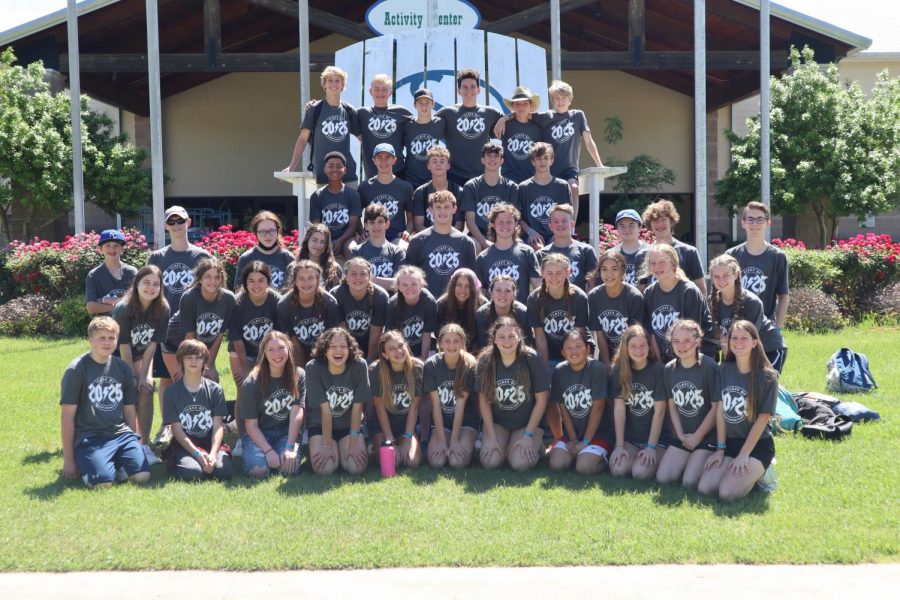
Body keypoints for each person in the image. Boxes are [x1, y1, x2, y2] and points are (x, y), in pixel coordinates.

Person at [147, 205, 211, 447]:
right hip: (165, 326)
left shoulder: (202, 256)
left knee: (197, 375)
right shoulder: (157, 257)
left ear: (189, 222)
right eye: (171, 222)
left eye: (180, 221)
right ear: (165, 226)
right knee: (167, 379)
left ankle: (197, 423)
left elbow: (209, 289)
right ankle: (167, 424)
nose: (176, 225)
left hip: (194, 325)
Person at [60, 316, 150, 488]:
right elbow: (67, 417)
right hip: (90, 437)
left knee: (142, 476)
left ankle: (115, 461)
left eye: (111, 338)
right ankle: (95, 467)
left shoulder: (123, 367)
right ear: (90, 340)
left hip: (120, 434)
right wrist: (68, 461)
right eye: (101, 338)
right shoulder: (76, 369)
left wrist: (133, 440)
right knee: (103, 483)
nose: (107, 342)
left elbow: (129, 410)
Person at [698, 320, 778, 502]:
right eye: (734, 338)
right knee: (705, 488)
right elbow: (720, 411)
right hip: (730, 444)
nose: (738, 343)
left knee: (727, 494)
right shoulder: (723, 370)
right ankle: (738, 472)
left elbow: (763, 419)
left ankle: (764, 473)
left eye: (744, 338)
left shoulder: (767, 376)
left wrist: (744, 455)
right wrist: (720, 450)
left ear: (755, 343)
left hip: (757, 445)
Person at [112, 265, 170, 466]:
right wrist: (131, 378)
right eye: (146, 282)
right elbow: (124, 347)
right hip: (116, 358)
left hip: (140, 356)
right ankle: (128, 443)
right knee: (129, 394)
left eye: (156, 284)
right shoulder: (123, 308)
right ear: (137, 283)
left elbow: (152, 344)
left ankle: (144, 445)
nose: (151, 288)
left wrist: (144, 374)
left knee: (145, 389)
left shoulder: (163, 308)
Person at [527, 253, 589, 442]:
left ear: (568, 273)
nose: (554, 277)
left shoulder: (578, 297)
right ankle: (558, 438)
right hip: (550, 355)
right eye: (550, 273)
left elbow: (579, 338)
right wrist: (545, 371)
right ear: (542, 273)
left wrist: (573, 366)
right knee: (548, 393)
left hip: (574, 353)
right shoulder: (535, 299)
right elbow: (540, 339)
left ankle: (582, 436)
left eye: (559, 273)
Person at [477, 317, 550, 471]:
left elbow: (542, 400)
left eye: (511, 336)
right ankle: (508, 445)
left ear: (519, 338)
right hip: (499, 423)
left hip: (526, 423)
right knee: (490, 463)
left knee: (519, 464)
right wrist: (490, 436)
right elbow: (483, 401)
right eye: (501, 337)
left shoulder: (531, 358)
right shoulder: (485, 360)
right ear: (494, 340)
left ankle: (535, 443)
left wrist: (528, 436)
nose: (507, 341)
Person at [655, 319, 719, 488]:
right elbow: (672, 406)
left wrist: (698, 437)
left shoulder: (709, 367)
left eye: (687, 341)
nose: (681, 346)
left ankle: (700, 464)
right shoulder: (669, 368)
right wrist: (681, 434)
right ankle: (689, 461)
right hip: (683, 436)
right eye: (676, 341)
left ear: (698, 341)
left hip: (707, 436)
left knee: (689, 482)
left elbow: (716, 408)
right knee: (663, 478)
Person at [162, 339, 233, 481]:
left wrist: (213, 453)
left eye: (198, 357)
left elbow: (218, 426)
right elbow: (176, 429)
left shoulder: (215, 389)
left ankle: (209, 461)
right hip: (185, 444)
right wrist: (197, 454)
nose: (193, 361)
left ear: (204, 361)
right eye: (189, 357)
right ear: (181, 360)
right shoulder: (171, 392)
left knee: (224, 472)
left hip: (209, 441)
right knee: (192, 472)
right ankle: (179, 464)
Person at [304, 327, 370, 475]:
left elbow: (358, 407)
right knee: (325, 470)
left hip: (349, 426)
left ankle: (346, 447)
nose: (338, 351)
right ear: (324, 350)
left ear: (350, 348)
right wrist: (327, 446)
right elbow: (325, 411)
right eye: (332, 347)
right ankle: (326, 446)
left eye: (343, 346)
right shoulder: (313, 368)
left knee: (356, 468)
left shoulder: (359, 365)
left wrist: (353, 443)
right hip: (321, 426)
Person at [240, 331, 305, 478]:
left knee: (288, 469)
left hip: (285, 434)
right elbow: (251, 425)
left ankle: (282, 453)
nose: (277, 354)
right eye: (271, 349)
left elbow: (297, 412)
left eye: (281, 348)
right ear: (264, 353)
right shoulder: (252, 382)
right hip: (259, 434)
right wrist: (268, 451)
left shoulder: (298, 375)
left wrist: (289, 447)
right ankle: (255, 458)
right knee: (259, 470)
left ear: (289, 348)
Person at [531, 80, 603, 212]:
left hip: (569, 168)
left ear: (569, 99)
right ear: (553, 100)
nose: (560, 101)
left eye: (563, 98)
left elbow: (589, 141)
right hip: (549, 168)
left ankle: (572, 224)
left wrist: (599, 164)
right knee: (551, 201)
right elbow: (522, 115)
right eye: (556, 98)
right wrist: (504, 119)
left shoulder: (578, 115)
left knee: (574, 188)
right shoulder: (546, 116)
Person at [709, 254, 787, 373]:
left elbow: (749, 341)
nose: (721, 281)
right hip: (736, 349)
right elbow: (711, 341)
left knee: (762, 388)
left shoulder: (751, 302)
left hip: (768, 349)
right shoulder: (711, 302)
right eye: (716, 276)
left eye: (726, 275)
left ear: (735, 275)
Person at [229, 261, 280, 443]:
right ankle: (243, 439)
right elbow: (237, 340)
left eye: (261, 280)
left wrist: (264, 365)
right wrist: (246, 368)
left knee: (271, 390)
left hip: (270, 352)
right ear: (245, 283)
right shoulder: (237, 302)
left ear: (268, 282)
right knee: (244, 391)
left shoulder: (276, 300)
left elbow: (279, 337)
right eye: (251, 281)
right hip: (242, 352)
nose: (256, 285)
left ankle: (269, 432)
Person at [548, 329, 611, 475]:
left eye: (578, 346)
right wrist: (574, 440)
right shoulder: (559, 370)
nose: (574, 351)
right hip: (575, 433)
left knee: (584, 468)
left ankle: (605, 459)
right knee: (556, 464)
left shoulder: (597, 369)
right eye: (569, 347)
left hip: (598, 434)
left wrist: (586, 442)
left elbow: (598, 408)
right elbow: (562, 408)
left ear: (588, 349)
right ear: (563, 352)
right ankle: (581, 454)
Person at [608, 324, 668, 480]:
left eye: (643, 345)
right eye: (633, 346)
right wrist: (619, 446)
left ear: (649, 346)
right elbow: (619, 410)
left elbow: (659, 412)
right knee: (618, 470)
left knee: (640, 473)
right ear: (625, 347)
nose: (638, 350)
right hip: (632, 439)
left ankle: (658, 458)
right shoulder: (618, 370)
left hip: (658, 439)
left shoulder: (659, 370)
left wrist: (651, 447)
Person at [283, 65, 359, 186]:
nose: (333, 84)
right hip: (322, 174)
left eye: (337, 80)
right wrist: (291, 166)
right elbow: (303, 139)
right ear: (324, 84)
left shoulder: (349, 110)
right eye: (330, 80)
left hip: (347, 175)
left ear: (343, 85)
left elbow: (363, 139)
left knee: (351, 205)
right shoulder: (315, 109)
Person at [640, 243, 715, 362]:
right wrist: (659, 363)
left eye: (662, 262)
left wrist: (678, 367)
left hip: (693, 357)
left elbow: (693, 334)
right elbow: (651, 333)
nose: (657, 267)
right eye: (653, 263)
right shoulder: (649, 293)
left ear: (674, 264)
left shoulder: (689, 291)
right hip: (663, 359)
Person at [725, 201, 790, 326]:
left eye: (760, 219)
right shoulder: (731, 255)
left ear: (768, 223)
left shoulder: (778, 256)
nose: (755, 223)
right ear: (743, 223)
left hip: (765, 327)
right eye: (750, 219)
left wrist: (777, 328)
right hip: (736, 327)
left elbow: (783, 295)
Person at [436, 68, 504, 187]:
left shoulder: (491, 113)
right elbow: (425, 124)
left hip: (482, 175)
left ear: (479, 90)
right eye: (465, 87)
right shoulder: (447, 113)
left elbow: (517, 118)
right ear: (459, 91)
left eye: (473, 86)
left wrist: (504, 119)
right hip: (453, 175)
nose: (469, 91)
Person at [424, 324, 479, 469]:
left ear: (463, 343)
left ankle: (472, 445)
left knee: (457, 462)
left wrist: (454, 441)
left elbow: (460, 406)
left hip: (466, 422)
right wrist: (442, 440)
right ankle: (445, 441)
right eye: (447, 341)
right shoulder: (431, 365)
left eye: (456, 341)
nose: (451, 345)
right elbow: (435, 405)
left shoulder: (469, 364)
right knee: (437, 462)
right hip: (442, 422)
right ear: (440, 343)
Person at [369, 331, 424, 470]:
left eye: (401, 345)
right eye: (392, 349)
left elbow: (414, 407)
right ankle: (375, 444)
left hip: (405, 424)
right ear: (384, 354)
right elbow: (380, 408)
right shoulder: (376, 370)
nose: (398, 351)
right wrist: (389, 440)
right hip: (381, 426)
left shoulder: (417, 368)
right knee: (390, 461)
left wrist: (407, 438)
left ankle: (406, 442)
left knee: (412, 462)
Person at [405, 189, 477, 296]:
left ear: (454, 209)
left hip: (456, 302)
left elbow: (471, 281)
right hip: (426, 302)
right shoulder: (417, 241)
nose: (442, 211)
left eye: (447, 207)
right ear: (430, 210)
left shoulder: (466, 243)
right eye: (438, 207)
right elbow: (409, 279)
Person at [175, 258, 236, 383]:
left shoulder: (228, 299)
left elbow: (220, 334)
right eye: (208, 276)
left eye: (217, 277)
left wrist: (210, 365)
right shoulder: (189, 297)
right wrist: (190, 365)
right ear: (200, 279)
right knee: (186, 381)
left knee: (212, 379)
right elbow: (189, 337)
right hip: (176, 342)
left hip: (202, 344)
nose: (213, 281)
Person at [276, 260, 341, 367]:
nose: (306, 283)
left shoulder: (329, 303)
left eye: (310, 278)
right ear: (295, 282)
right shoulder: (284, 305)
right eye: (301, 279)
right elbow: (291, 341)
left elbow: (331, 338)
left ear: (318, 280)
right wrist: (301, 369)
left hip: (324, 352)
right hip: (296, 353)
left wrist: (319, 365)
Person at [474, 203, 541, 306]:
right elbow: (480, 295)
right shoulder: (483, 257)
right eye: (500, 222)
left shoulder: (527, 252)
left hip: (520, 314)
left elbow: (537, 287)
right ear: (493, 225)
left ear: (516, 224)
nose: (505, 225)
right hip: (492, 315)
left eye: (509, 222)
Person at [461, 141, 520, 252]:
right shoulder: (471, 186)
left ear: (501, 161)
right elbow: (470, 221)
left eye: (496, 156)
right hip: (479, 236)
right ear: (482, 160)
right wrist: (484, 242)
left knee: (520, 246)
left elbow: (514, 220)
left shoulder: (512, 187)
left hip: (505, 234)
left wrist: (503, 240)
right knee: (473, 245)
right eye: (489, 156)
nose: (492, 159)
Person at [587, 250, 643, 365]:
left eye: (614, 269)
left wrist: (623, 364)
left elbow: (634, 336)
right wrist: (607, 364)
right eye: (604, 269)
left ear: (622, 270)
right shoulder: (594, 296)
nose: (609, 274)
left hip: (631, 356)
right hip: (606, 355)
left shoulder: (634, 296)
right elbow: (599, 334)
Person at [641, 199, 706, 294]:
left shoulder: (689, 252)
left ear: (671, 222)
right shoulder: (642, 254)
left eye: (663, 220)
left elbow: (700, 287)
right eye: (655, 221)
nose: (659, 224)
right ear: (650, 224)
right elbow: (641, 290)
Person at [355, 73, 413, 180]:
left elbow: (420, 124)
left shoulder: (401, 112)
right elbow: (341, 114)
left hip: (398, 171)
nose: (380, 93)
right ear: (370, 91)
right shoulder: (361, 114)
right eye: (377, 89)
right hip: (372, 173)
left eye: (384, 89)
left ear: (390, 92)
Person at [330, 257, 389, 361]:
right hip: (346, 347)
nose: (358, 278)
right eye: (353, 274)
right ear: (346, 277)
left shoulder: (380, 296)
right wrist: (352, 358)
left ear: (369, 277)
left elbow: (376, 332)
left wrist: (369, 361)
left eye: (363, 273)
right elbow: (342, 331)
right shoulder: (336, 294)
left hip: (371, 346)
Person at [358, 143, 415, 248]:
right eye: (380, 157)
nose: (383, 161)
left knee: (404, 249)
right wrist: (362, 231)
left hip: (396, 235)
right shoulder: (365, 187)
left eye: (387, 157)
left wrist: (407, 231)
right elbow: (357, 216)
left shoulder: (405, 187)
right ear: (374, 160)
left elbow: (411, 219)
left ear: (394, 160)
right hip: (373, 232)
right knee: (361, 250)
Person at [307, 152, 362, 258]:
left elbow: (353, 226)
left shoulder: (353, 195)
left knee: (352, 250)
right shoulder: (317, 196)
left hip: (347, 238)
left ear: (344, 170)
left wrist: (340, 241)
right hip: (324, 238)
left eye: (339, 166)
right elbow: (317, 226)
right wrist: (327, 241)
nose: (335, 169)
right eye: (331, 166)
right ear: (324, 169)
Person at [518, 142, 572, 249]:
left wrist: (559, 233)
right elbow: (518, 218)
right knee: (538, 247)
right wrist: (530, 231)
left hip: (556, 233)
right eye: (538, 158)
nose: (542, 161)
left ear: (552, 161)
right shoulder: (523, 187)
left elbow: (569, 215)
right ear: (533, 162)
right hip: (532, 235)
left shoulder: (562, 186)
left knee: (557, 246)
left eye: (546, 158)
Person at [538, 203, 598, 292]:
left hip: (578, 303)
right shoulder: (542, 254)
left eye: (564, 220)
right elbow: (539, 285)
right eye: (556, 221)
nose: (560, 224)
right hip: (550, 303)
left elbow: (592, 285)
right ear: (550, 226)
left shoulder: (586, 251)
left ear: (572, 224)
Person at [384, 266, 438, 360]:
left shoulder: (428, 301)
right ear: (399, 287)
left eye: (414, 284)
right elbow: (391, 338)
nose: (410, 288)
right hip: (401, 353)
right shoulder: (392, 304)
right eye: (405, 285)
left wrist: (423, 361)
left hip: (424, 351)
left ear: (421, 285)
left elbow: (427, 336)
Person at [349, 203, 406, 293]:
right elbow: (354, 282)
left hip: (390, 303)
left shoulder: (398, 252)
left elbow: (399, 283)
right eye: (372, 222)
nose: (376, 226)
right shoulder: (357, 251)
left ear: (387, 224)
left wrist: (369, 279)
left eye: (380, 221)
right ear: (366, 226)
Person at [234, 211, 296, 292]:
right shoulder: (246, 258)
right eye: (262, 231)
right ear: (256, 233)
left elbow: (294, 290)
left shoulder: (288, 257)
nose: (267, 235)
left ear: (278, 231)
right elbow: (239, 291)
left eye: (271, 230)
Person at [402, 88, 447, 189]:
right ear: (414, 105)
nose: (424, 106)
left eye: (427, 102)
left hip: (433, 177)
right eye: (420, 103)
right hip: (411, 178)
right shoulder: (407, 125)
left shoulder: (440, 123)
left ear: (433, 104)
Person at [412, 145, 464, 231]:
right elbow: (418, 226)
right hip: (428, 240)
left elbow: (459, 225)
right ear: (428, 165)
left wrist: (444, 239)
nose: (438, 164)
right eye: (434, 161)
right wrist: (435, 238)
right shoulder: (420, 192)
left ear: (448, 165)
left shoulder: (458, 191)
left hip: (452, 240)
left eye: (442, 161)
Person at [85, 229, 137, 315]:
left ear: (122, 248)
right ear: (100, 249)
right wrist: (120, 306)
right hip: (104, 325)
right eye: (107, 245)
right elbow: (91, 307)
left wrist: (104, 300)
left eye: (116, 246)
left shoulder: (132, 272)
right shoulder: (94, 275)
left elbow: (135, 304)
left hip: (128, 325)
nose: (112, 250)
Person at [435, 268, 487, 353]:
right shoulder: (441, 305)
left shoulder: (482, 304)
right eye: (459, 285)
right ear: (453, 286)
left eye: (468, 286)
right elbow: (439, 335)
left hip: (475, 353)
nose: (463, 290)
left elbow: (484, 335)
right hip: (449, 351)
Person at [475, 274, 532, 349]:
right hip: (491, 355)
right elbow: (483, 345)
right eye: (498, 290)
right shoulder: (481, 314)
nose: (503, 295)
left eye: (507, 291)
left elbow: (526, 344)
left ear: (514, 295)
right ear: (491, 294)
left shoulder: (523, 313)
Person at [499, 86, 542, 183]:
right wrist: (502, 119)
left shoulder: (539, 127)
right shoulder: (504, 125)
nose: (521, 107)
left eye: (525, 103)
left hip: (532, 180)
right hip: (509, 180)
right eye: (517, 104)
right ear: (513, 106)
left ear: (530, 105)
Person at [297, 223, 344, 290]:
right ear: (307, 240)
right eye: (314, 240)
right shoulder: (294, 267)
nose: (318, 245)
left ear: (327, 245)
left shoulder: (335, 269)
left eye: (323, 242)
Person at [611, 209, 649, 288]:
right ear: (617, 229)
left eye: (631, 225)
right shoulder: (611, 255)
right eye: (622, 226)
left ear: (640, 227)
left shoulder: (651, 252)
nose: (627, 229)